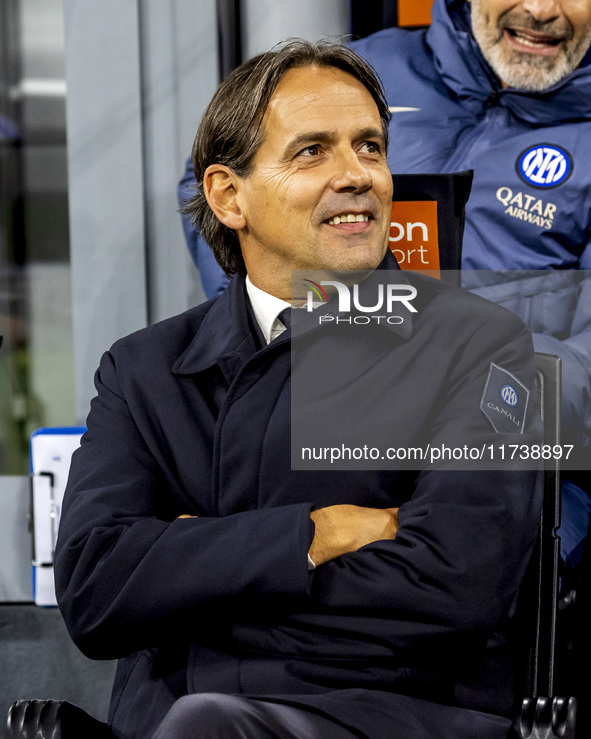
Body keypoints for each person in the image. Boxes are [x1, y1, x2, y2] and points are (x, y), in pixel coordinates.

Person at [55, 40, 543, 739]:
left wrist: (196, 566)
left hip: (398, 719)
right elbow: (94, 594)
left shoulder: (488, 347)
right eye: (312, 151)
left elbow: (458, 583)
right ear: (228, 196)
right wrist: (314, 535)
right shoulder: (143, 370)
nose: (358, 175)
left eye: (370, 147)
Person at [179, 0, 591, 566]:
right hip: (300, 399)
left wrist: (460, 375)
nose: (542, 8)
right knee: (231, 553)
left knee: (440, 572)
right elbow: (220, 184)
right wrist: (282, 323)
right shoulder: (361, 70)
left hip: (501, 445)